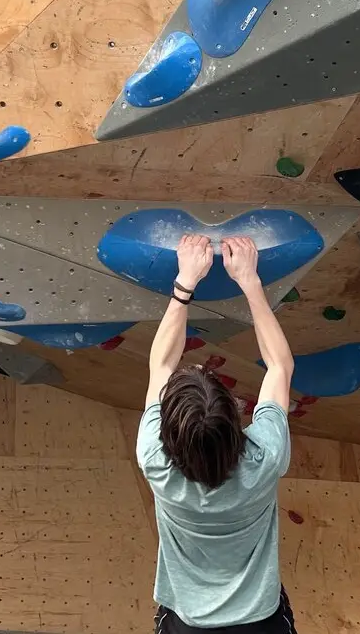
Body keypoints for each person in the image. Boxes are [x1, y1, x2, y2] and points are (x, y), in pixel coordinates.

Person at [137, 234, 298, 634]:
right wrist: (250, 282)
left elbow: (161, 365)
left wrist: (184, 283)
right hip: (258, 622)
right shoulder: (264, 456)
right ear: (236, 419)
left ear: (168, 433)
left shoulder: (155, 461)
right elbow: (279, 367)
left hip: (189, 623)